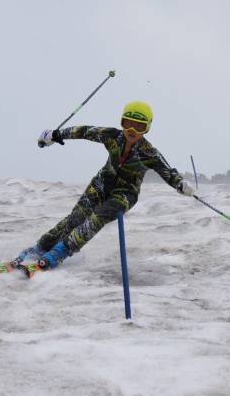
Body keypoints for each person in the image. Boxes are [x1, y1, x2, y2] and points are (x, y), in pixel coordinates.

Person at [12, 100, 194, 270]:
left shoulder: (149, 153)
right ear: (121, 122)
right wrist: (56, 134)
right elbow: (85, 131)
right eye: (127, 123)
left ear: (147, 129)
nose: (132, 129)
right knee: (75, 219)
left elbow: (167, 171)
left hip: (125, 194)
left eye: (139, 126)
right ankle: (39, 249)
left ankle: (59, 253)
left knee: (97, 217)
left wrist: (180, 184)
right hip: (101, 183)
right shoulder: (112, 136)